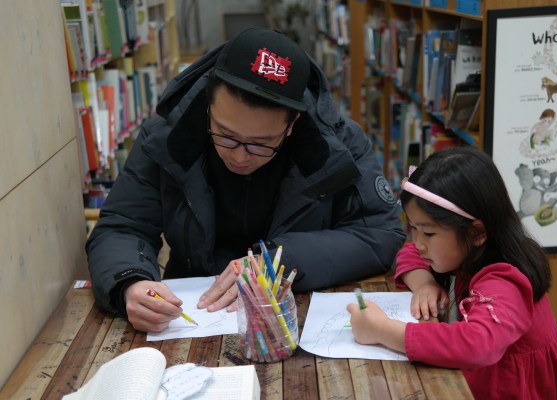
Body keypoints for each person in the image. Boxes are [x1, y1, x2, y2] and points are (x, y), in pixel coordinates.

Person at [86, 28, 404, 333]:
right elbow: (123, 225)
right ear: (208, 107)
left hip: (298, 314)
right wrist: (129, 282)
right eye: (226, 135)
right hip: (191, 314)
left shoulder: (337, 146)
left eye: (261, 143)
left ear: (293, 124)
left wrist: (277, 262)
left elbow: (381, 233)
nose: (240, 156)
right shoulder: (167, 138)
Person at [347, 146, 557, 400]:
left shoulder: (504, 281)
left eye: (428, 232)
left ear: (476, 233)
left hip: (517, 390)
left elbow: (476, 345)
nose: (419, 242)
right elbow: (409, 253)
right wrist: (424, 285)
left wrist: (383, 330)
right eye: (414, 228)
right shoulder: (464, 249)